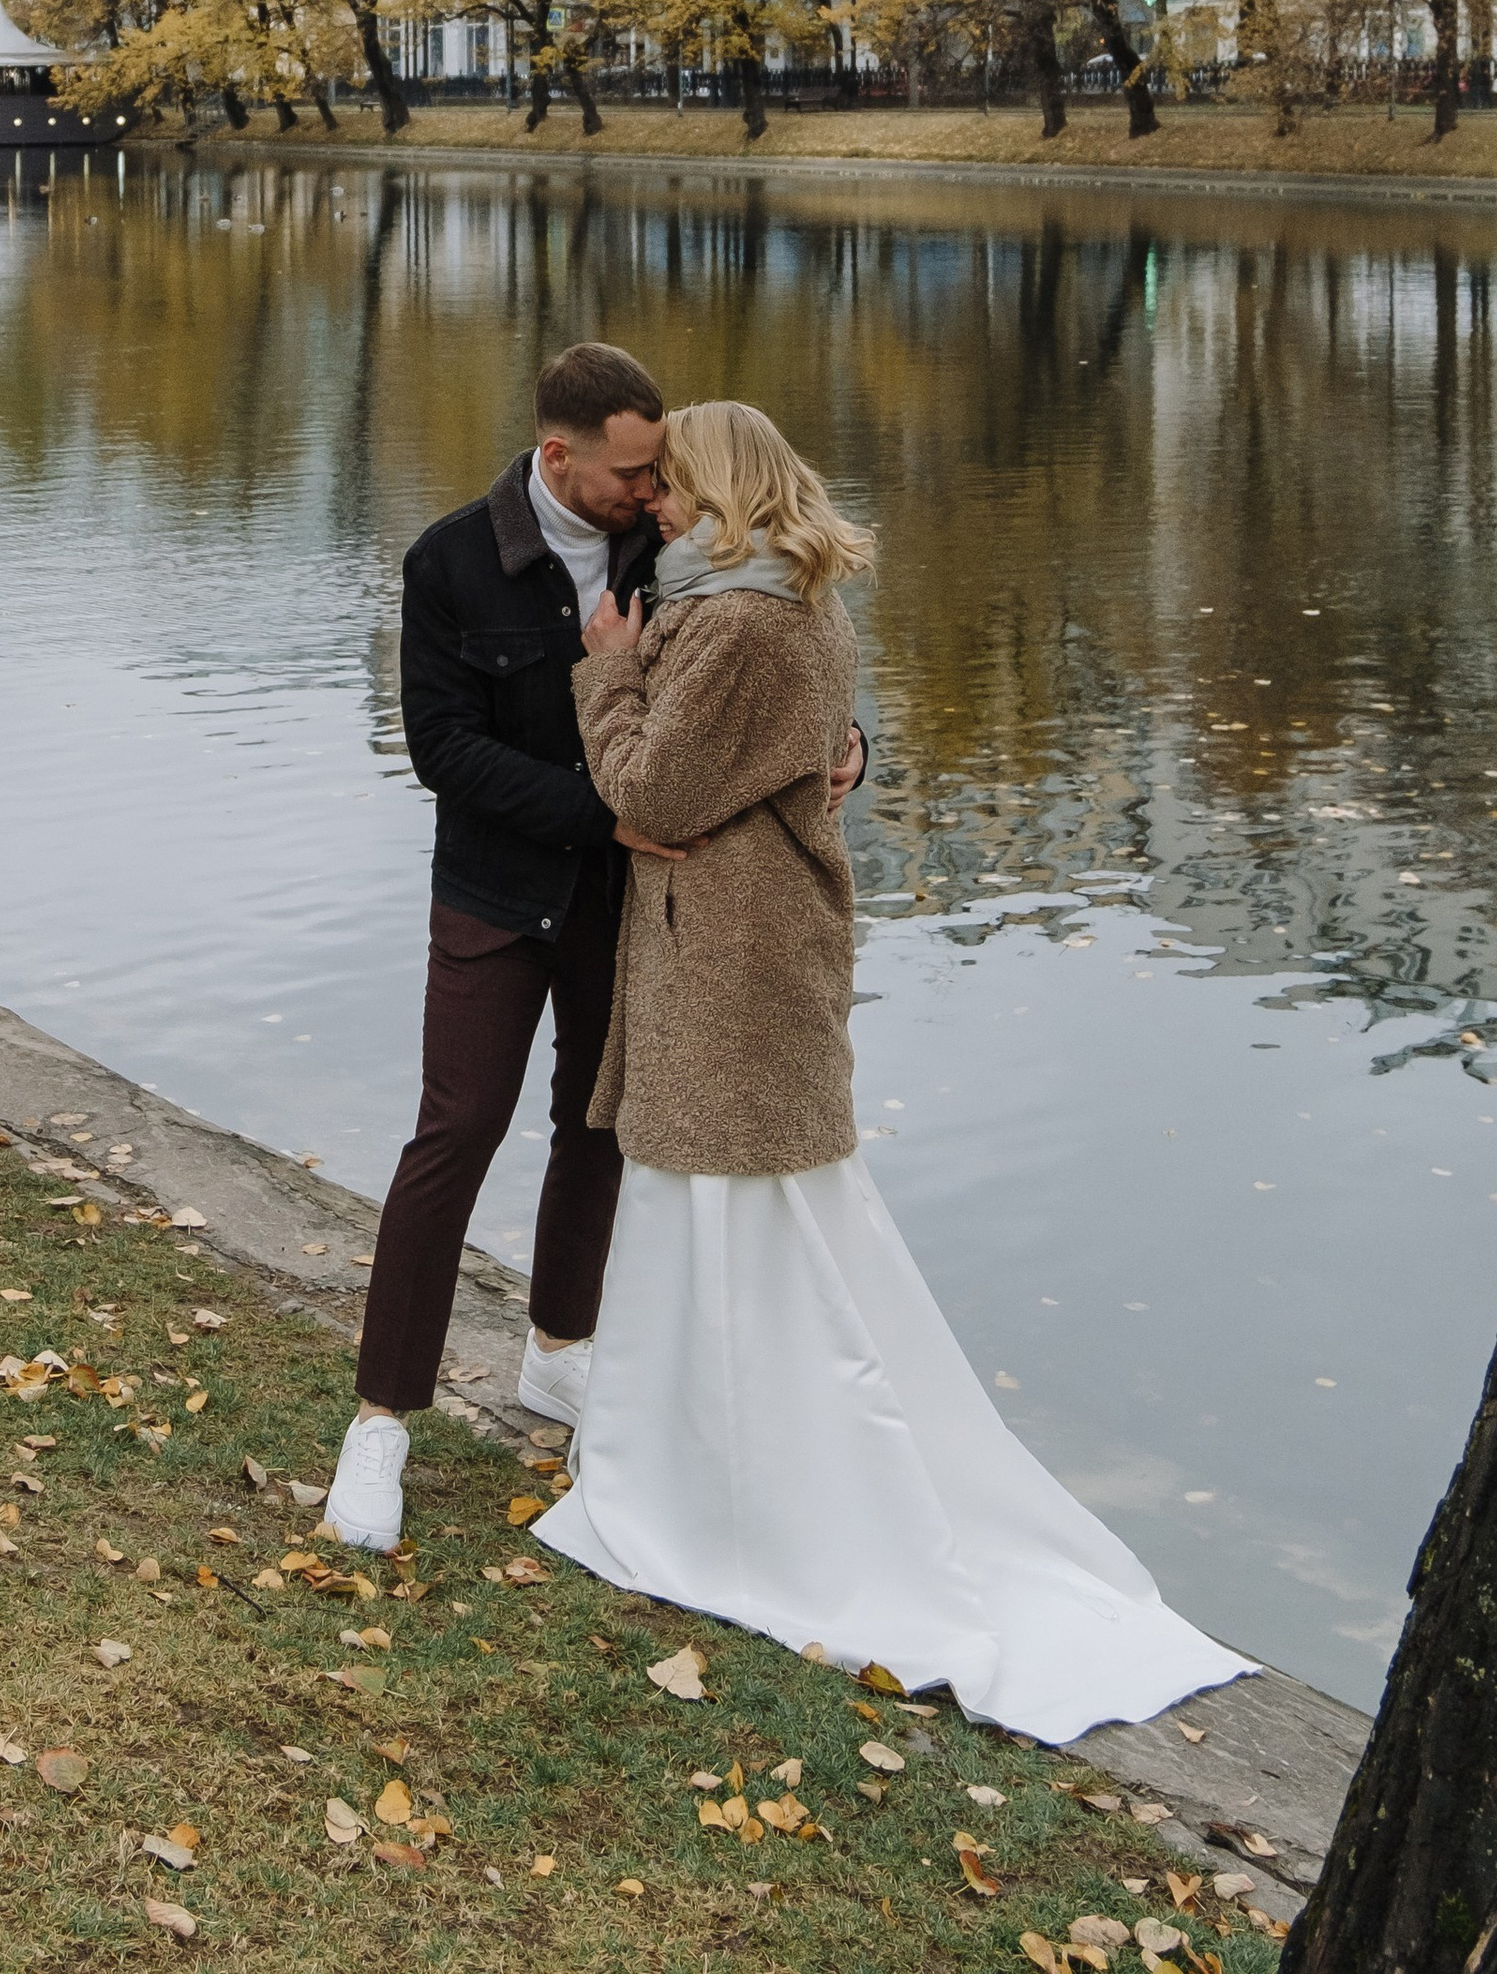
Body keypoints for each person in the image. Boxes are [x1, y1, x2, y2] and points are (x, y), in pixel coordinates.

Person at [531, 398, 1248, 1743]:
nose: (658, 512)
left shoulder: (741, 624)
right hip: (729, 961)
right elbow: (764, 766)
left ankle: (748, 1502)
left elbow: (654, 795)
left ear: (724, 493)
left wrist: (605, 672)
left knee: (752, 1230)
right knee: (738, 1228)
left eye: (674, 491)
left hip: (736, 969)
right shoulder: (757, 600)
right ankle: (705, 1474)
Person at [324, 345, 865, 1557]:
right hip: (498, 895)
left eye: (659, 469)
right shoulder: (452, 559)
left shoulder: (669, 546)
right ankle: (381, 1418)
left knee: (599, 1124)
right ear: (557, 455)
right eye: (630, 470)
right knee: (453, 1131)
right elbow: (442, 751)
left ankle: (558, 1351)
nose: (650, 487)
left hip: (636, 904)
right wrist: (605, 813)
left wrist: (848, 747)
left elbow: (764, 663)